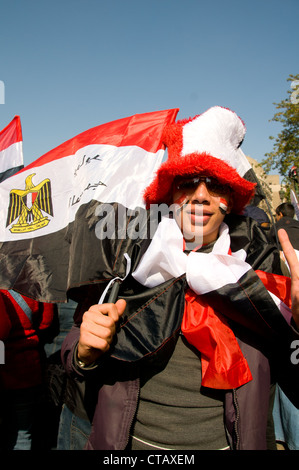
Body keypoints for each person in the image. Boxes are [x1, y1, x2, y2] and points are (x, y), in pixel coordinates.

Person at [61, 106, 299, 450]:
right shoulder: (126, 259)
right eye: (189, 182)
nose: (201, 194)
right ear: (172, 194)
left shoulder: (261, 271)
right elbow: (73, 349)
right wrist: (83, 350)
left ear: (229, 200)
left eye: (215, 184)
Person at [0, 289, 58, 450]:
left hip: (6, 369)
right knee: (23, 433)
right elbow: (46, 321)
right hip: (27, 370)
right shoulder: (34, 284)